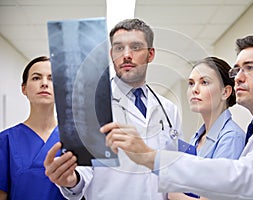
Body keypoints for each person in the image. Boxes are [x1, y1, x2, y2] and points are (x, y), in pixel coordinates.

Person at [102, 35, 253, 200]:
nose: (238, 77)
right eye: (237, 70)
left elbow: (245, 178)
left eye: (250, 68)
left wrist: (152, 157)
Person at [44, 18, 182, 200]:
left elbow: (172, 169)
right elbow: (82, 171)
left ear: (150, 54)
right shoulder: (90, 105)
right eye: (119, 48)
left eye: (135, 47)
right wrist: (71, 180)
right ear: (111, 54)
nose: (126, 55)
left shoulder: (168, 110)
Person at [168, 56, 245, 200]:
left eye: (204, 82)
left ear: (225, 92)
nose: (194, 90)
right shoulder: (196, 138)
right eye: (191, 83)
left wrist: (174, 195)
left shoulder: (231, 138)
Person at [0, 56, 66, 200]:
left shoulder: (74, 139)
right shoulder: (6, 140)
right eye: (36, 78)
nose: (44, 84)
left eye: (51, 78)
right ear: (24, 89)